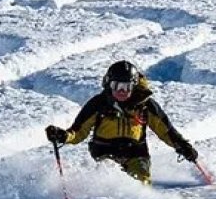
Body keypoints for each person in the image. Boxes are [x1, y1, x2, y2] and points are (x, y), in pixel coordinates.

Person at [44, 60, 198, 185]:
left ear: (134, 86)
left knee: (140, 181)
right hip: (104, 153)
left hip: (136, 153)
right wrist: (62, 136)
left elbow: (165, 131)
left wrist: (183, 146)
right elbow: (78, 132)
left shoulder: (145, 105)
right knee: (107, 183)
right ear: (108, 85)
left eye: (126, 87)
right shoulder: (99, 104)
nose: (121, 91)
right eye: (116, 86)